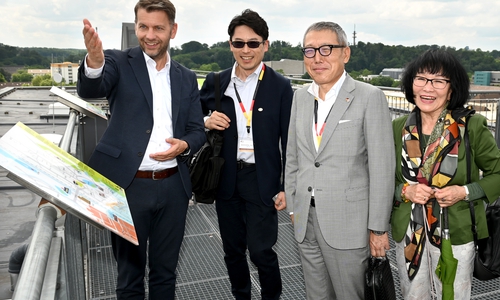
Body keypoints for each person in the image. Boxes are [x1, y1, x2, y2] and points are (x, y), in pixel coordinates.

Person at [76, 0, 206, 299]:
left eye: (158, 28)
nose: (149, 35)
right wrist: (95, 61)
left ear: (173, 30)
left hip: (173, 188)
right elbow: (91, 89)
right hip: (129, 187)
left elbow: (198, 131)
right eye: (143, 26)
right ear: (136, 27)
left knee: (165, 274)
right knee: (130, 276)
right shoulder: (119, 62)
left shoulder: (185, 77)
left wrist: (184, 144)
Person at [284, 21, 395, 299]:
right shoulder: (300, 97)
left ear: (345, 54)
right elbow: (294, 157)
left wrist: (378, 228)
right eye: (309, 50)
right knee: (316, 295)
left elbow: (382, 168)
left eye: (326, 49)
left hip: (349, 225)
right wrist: (293, 203)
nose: (317, 57)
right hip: (305, 220)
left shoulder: (370, 97)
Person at [199, 9, 293, 300]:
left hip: (261, 179)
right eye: (238, 43)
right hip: (225, 177)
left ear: (266, 45)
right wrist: (205, 121)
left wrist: (285, 186)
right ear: (230, 45)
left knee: (262, 250)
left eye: (253, 43)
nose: (246, 50)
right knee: (232, 250)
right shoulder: (216, 83)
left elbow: (291, 141)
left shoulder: (280, 86)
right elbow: (191, 121)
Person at [391, 49, 500, 299]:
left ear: (452, 89)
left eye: (439, 81)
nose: (428, 87)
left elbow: (497, 172)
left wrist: (464, 191)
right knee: (412, 295)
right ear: (411, 84)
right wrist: (406, 190)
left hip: (457, 231)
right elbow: (383, 180)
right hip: (408, 232)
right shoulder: (398, 128)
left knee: (452, 295)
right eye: (421, 78)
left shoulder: (471, 127)